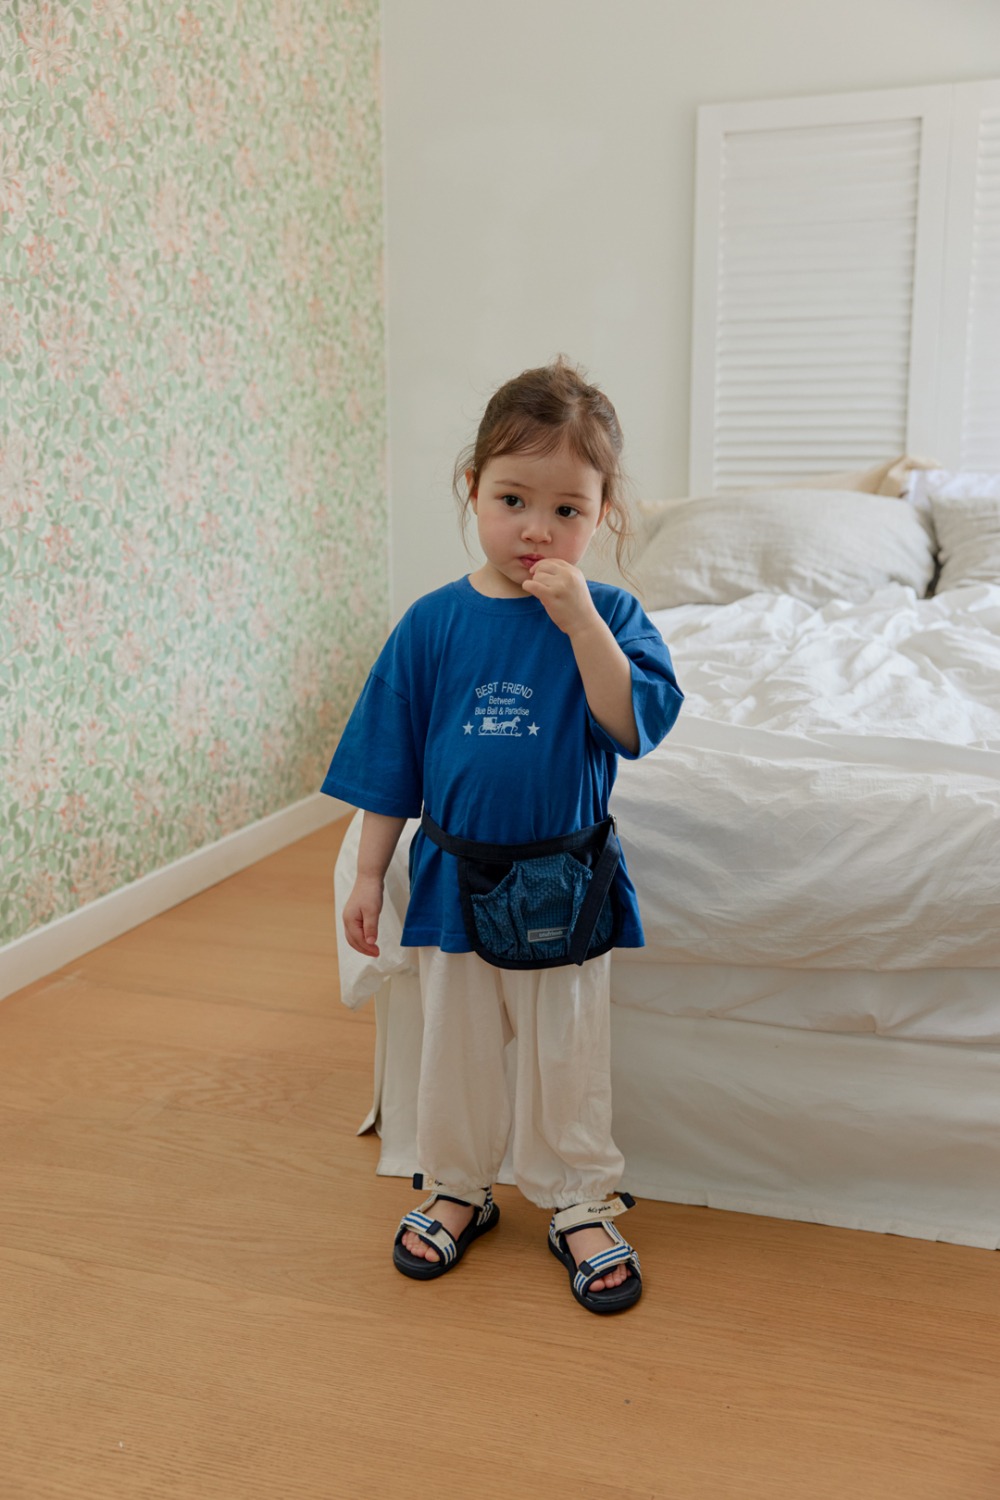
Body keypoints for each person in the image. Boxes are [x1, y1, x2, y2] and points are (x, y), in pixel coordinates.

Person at [322, 358, 683, 1313]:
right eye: (513, 499)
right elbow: (389, 762)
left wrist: (582, 625)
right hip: (453, 877)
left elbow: (631, 725)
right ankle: (457, 1184)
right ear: (472, 489)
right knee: (459, 1046)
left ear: (603, 516)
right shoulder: (432, 624)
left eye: (567, 510)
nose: (536, 529)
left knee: (569, 1050)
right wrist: (368, 875)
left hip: (567, 879)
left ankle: (579, 1199)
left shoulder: (611, 615)